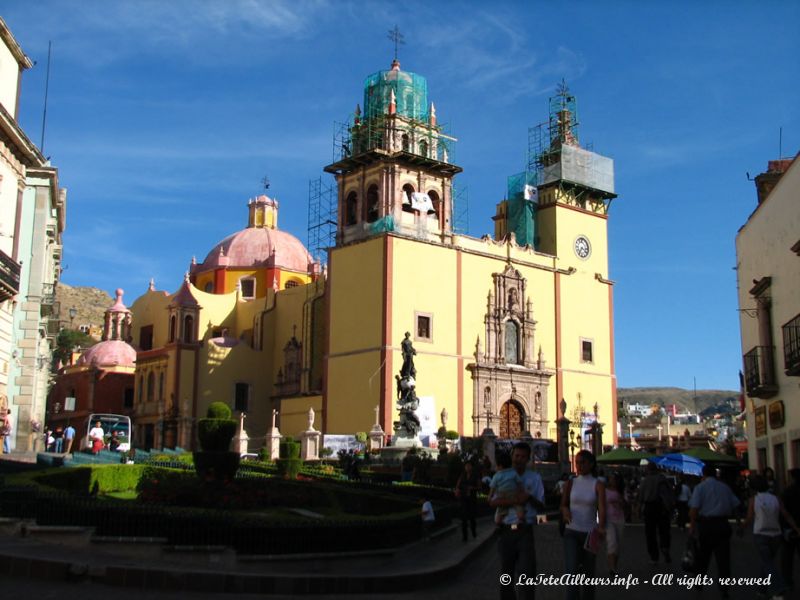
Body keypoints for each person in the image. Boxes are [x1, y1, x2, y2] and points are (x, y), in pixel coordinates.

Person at [490, 442, 545, 600]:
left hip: (525, 530)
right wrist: (514, 501)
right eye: (516, 456)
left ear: (528, 459)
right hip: (505, 530)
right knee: (506, 575)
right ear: (511, 456)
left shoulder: (534, 478)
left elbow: (542, 507)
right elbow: (492, 502)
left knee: (527, 575)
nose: (518, 459)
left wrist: (528, 497)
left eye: (522, 457)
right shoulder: (502, 476)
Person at [742, 474, 798, 600]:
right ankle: (762, 589)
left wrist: (742, 527)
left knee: (767, 563)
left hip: (760, 534)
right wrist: (796, 527)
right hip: (776, 534)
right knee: (767, 561)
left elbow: (750, 517)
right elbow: (785, 514)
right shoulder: (776, 499)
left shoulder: (753, 500)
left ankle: (778, 588)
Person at [688, 465, 742, 599]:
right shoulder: (725, 487)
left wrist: (692, 526)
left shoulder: (700, 488)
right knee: (723, 559)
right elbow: (736, 506)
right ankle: (724, 588)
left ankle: (699, 582)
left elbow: (694, 509)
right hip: (723, 525)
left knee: (703, 556)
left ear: (703, 474)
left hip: (706, 525)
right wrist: (739, 523)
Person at [561, 449, 606, 600]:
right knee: (571, 571)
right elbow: (563, 504)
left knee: (588, 573)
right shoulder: (571, 482)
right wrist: (566, 512)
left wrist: (601, 527)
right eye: (577, 463)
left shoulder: (597, 484)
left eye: (583, 462)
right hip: (572, 531)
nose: (579, 466)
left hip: (590, 533)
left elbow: (602, 508)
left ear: (591, 464)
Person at [637, 461, 673, 564]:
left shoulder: (645, 481)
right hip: (662, 508)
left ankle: (654, 557)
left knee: (650, 533)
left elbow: (640, 497)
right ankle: (665, 547)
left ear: (648, 469)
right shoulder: (663, 479)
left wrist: (639, 509)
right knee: (664, 531)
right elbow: (669, 493)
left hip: (649, 507)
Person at [490, 452, 525, 526]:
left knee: (497, 520)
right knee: (520, 514)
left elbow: (492, 487)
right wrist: (521, 492)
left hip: (502, 498)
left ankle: (502, 525)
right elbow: (519, 484)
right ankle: (521, 519)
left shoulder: (496, 475)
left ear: (499, 466)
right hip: (513, 496)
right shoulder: (514, 473)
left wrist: (490, 496)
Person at [782, 468, 800, 589]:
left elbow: (784, 511)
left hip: (791, 528)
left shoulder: (787, 491)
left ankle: (788, 581)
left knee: (788, 556)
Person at [605, 472, 626, 577]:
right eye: (610, 479)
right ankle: (612, 568)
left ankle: (614, 566)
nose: (611, 481)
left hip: (620, 519)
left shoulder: (621, 491)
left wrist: (619, 501)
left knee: (618, 544)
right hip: (609, 520)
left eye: (613, 479)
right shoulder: (604, 491)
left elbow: (625, 505)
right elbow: (600, 505)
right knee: (612, 542)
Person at [455, 461, 480, 541]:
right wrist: (457, 490)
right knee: (464, 518)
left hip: (472, 499)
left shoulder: (475, 476)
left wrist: (472, 488)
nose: (467, 467)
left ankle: (473, 531)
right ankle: (464, 536)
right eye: (466, 466)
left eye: (469, 466)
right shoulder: (462, 475)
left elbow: (480, 487)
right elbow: (458, 485)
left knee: (472, 517)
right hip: (463, 498)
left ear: (471, 467)